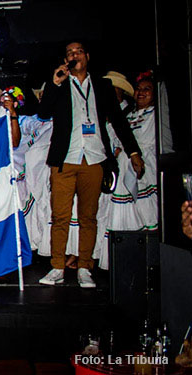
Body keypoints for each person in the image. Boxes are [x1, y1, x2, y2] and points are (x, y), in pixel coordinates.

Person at [37, 41, 145, 288]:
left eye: (77, 52)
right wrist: (54, 83)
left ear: (87, 56)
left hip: (94, 158)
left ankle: (85, 266)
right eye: (68, 53)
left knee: (89, 217)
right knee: (60, 216)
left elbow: (118, 121)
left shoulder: (103, 85)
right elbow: (43, 113)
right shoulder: (60, 84)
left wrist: (133, 152)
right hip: (65, 159)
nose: (73, 56)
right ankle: (57, 267)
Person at [107, 72, 159, 232]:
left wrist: (127, 153)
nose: (141, 92)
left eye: (147, 89)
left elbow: (146, 141)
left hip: (145, 165)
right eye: (139, 89)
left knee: (147, 212)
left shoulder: (155, 115)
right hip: (124, 166)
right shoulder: (128, 115)